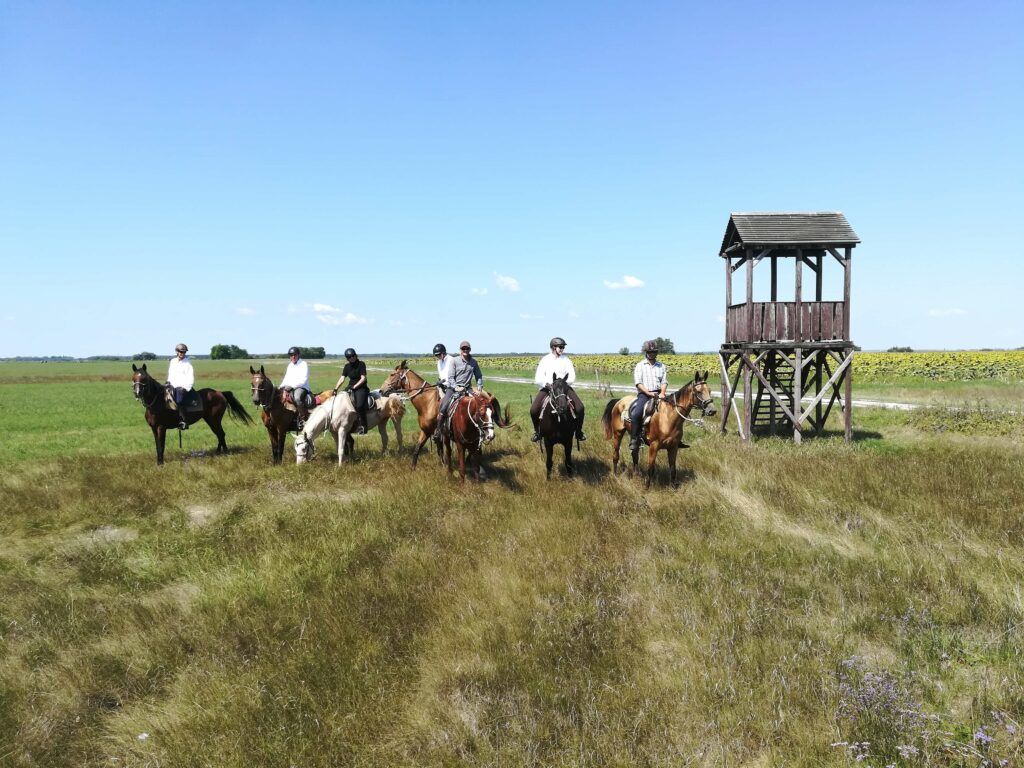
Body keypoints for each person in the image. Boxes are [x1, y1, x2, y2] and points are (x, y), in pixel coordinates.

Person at [530, 336, 586, 442]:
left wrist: (563, 384)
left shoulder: (567, 360)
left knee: (580, 407)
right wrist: (546, 384)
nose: (562, 349)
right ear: (553, 347)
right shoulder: (545, 360)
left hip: (564, 388)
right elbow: (538, 377)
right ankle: (537, 432)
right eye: (560, 347)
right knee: (533, 410)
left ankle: (578, 432)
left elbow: (572, 376)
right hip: (547, 388)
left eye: (563, 347)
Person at [628, 339, 668, 453]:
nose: (651, 354)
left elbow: (664, 381)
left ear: (656, 352)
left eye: (654, 352)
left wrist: (662, 393)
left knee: (672, 411)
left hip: (659, 394)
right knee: (636, 413)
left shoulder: (661, 366)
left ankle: (674, 437)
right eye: (649, 352)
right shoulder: (640, 365)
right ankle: (634, 439)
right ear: (646, 352)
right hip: (644, 394)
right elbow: (638, 383)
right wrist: (649, 393)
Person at [438, 340, 484, 431]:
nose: (465, 350)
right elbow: (450, 377)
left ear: (470, 349)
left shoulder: (474, 362)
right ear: (460, 350)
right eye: (463, 348)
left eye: (467, 348)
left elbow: (478, 376)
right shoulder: (454, 361)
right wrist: (456, 387)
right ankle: (438, 431)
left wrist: (479, 388)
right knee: (443, 407)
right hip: (453, 388)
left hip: (467, 388)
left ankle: (482, 430)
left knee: (481, 405)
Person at [333, 347, 370, 434]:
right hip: (350, 387)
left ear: (356, 355)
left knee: (360, 406)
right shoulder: (347, 366)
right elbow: (342, 378)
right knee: (340, 401)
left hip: (361, 387)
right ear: (347, 358)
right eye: (349, 357)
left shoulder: (361, 364)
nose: (352, 358)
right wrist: (335, 388)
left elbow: (363, 378)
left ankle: (363, 426)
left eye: (353, 356)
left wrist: (355, 386)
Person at [281, 346, 312, 429]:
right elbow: (286, 378)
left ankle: (303, 419)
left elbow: (303, 380)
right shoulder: (290, 365)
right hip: (290, 387)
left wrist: (290, 387)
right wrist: (281, 387)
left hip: (301, 387)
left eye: (295, 355)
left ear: (298, 355)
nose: (293, 357)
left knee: (297, 398)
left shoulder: (303, 364)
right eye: (291, 355)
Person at [166, 342, 195, 430]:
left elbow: (190, 377)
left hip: (182, 387)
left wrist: (186, 388)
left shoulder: (188, 363)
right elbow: (170, 373)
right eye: (181, 352)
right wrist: (168, 382)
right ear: (177, 352)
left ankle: (184, 421)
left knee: (179, 401)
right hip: (172, 385)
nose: (182, 353)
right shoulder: (172, 361)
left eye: (184, 352)